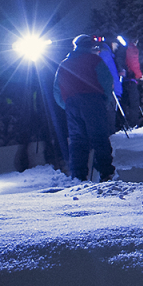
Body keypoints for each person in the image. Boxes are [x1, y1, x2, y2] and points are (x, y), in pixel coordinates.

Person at [53, 34, 118, 182]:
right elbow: (107, 81)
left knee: (77, 140)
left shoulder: (64, 64)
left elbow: (56, 90)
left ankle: (78, 175)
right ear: (89, 45)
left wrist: (67, 105)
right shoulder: (94, 59)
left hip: (72, 104)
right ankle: (106, 172)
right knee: (99, 136)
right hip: (93, 100)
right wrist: (105, 99)